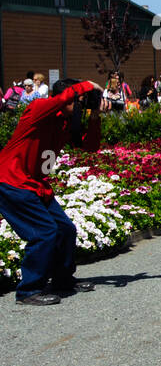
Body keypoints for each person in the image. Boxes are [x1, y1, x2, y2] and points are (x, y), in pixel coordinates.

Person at [0, 78, 104, 304]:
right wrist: (88, 84)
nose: (80, 104)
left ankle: (63, 280)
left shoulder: (67, 122)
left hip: (35, 184)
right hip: (11, 181)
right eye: (78, 100)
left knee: (65, 229)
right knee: (43, 232)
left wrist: (94, 115)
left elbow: (90, 147)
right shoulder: (38, 109)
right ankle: (28, 291)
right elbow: (63, 98)